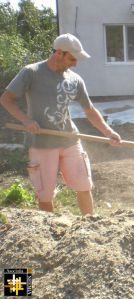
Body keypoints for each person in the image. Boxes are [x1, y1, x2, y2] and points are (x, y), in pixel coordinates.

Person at [0, 33, 121, 215]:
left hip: (70, 140)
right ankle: (49, 234)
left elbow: (89, 110)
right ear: (59, 53)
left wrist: (108, 131)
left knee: (84, 185)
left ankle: (91, 227)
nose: (75, 63)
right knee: (45, 194)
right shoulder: (31, 73)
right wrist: (26, 120)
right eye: (72, 58)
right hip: (42, 144)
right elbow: (7, 99)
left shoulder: (75, 80)